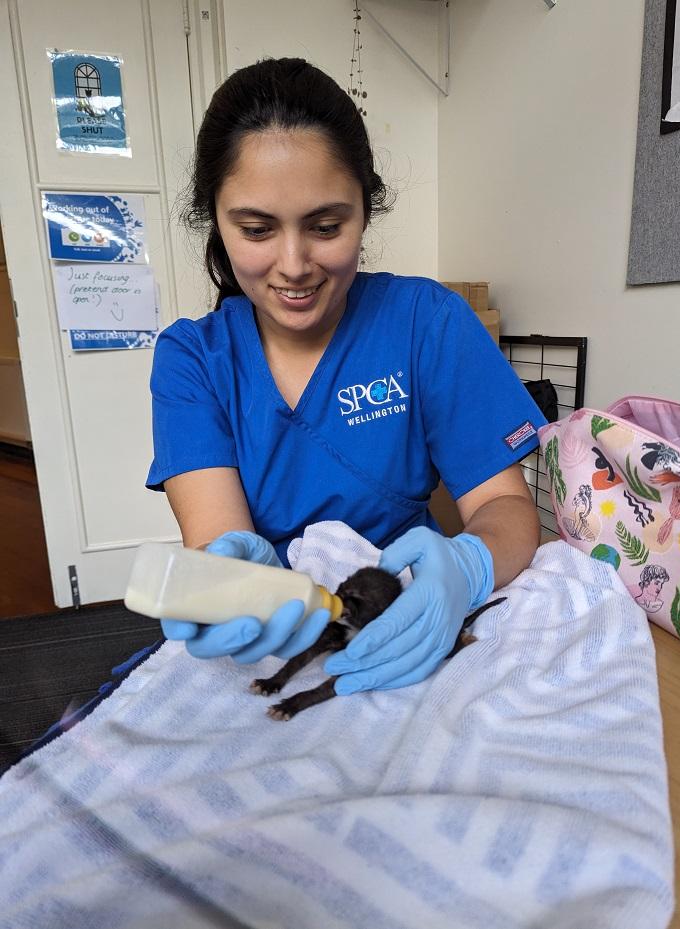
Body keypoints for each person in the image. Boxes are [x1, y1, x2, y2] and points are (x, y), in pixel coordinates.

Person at [146, 57, 547, 695]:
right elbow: (217, 542)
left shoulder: (427, 323)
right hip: (280, 636)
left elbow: (504, 507)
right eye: (255, 230)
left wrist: (465, 568)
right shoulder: (193, 360)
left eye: (326, 226)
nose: (295, 264)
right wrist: (228, 583)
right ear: (215, 223)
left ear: (366, 209)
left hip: (411, 610)